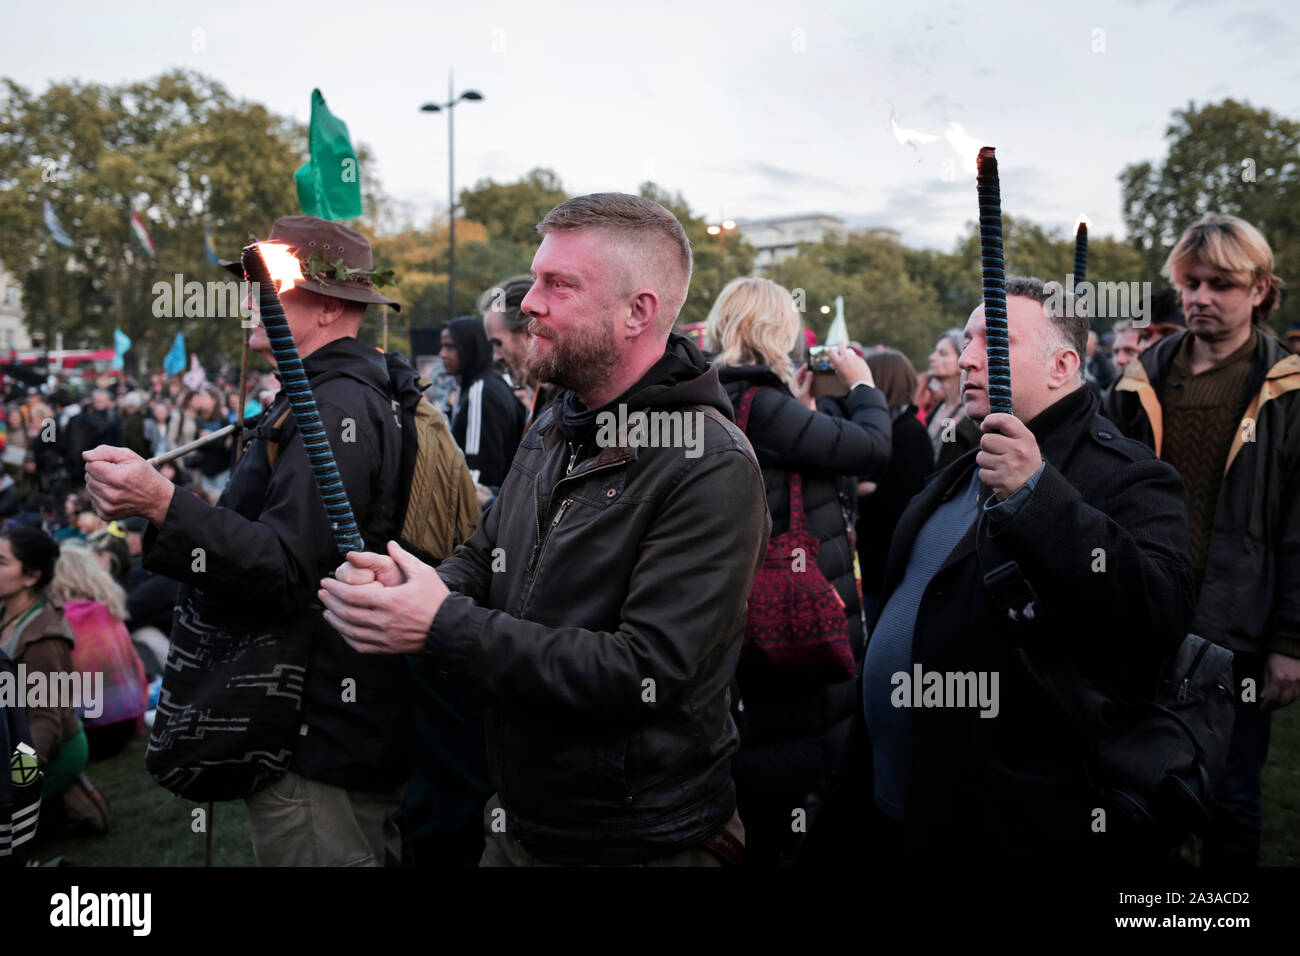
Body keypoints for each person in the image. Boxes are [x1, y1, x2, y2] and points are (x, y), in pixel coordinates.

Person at [319, 192, 770, 867]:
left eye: (558, 284)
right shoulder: (561, 416)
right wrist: (419, 586)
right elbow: (489, 551)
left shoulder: (710, 463)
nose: (528, 301)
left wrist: (441, 625)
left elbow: (645, 672)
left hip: (636, 841)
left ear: (637, 312)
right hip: (518, 816)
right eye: (535, 278)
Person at [817, 276, 1192, 865]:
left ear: (1062, 364)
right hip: (896, 803)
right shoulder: (963, 465)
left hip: (1011, 825)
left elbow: (1157, 616)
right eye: (966, 341)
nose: (966, 359)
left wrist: (1039, 497)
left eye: (993, 341)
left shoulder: (1125, 474)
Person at [83, 215, 413, 867]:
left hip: (314, 727)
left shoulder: (337, 406)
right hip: (317, 717)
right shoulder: (319, 395)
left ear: (324, 306)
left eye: (269, 285)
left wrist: (162, 502)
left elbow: (289, 567)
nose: (251, 301)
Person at [1105, 213, 1298, 866]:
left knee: (1231, 800)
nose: (1201, 298)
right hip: (1144, 620)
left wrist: (1290, 643)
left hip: (1239, 630)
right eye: (1191, 282)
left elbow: (1299, 529)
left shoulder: (1288, 391)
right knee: (1137, 789)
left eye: (1221, 284)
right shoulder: (1138, 383)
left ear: (1260, 290)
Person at [705, 275, 891, 865]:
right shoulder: (764, 407)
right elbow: (870, 448)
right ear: (777, 332)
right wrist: (863, 387)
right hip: (794, 633)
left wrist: (802, 406)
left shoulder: (719, 397)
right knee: (797, 802)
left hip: (740, 622)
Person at [0, 526, 92, 807]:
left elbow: (44, 721)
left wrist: (17, 779)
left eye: (2, 563)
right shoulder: (5, 611)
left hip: (52, 749)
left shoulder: (43, 640)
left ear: (31, 577)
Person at [49, 543, 148, 761]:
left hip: (89, 736)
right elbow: (136, 668)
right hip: (127, 725)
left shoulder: (59, 621)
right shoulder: (110, 612)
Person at [856, 349, 934, 617]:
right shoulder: (888, 429)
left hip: (888, 562)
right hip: (875, 557)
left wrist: (865, 492)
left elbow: (904, 500)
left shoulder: (908, 433)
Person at [440, 316, 528, 491]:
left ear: (471, 347)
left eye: (451, 347)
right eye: (442, 346)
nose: (442, 354)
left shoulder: (480, 391)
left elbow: (476, 468)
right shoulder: (491, 384)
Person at [479, 274, 558, 431]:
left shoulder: (568, 406)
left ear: (529, 332)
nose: (496, 357)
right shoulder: (546, 401)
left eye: (498, 343)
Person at [924, 329, 980, 470]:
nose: (932, 357)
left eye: (942, 353)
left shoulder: (971, 413)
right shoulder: (940, 407)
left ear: (962, 360)